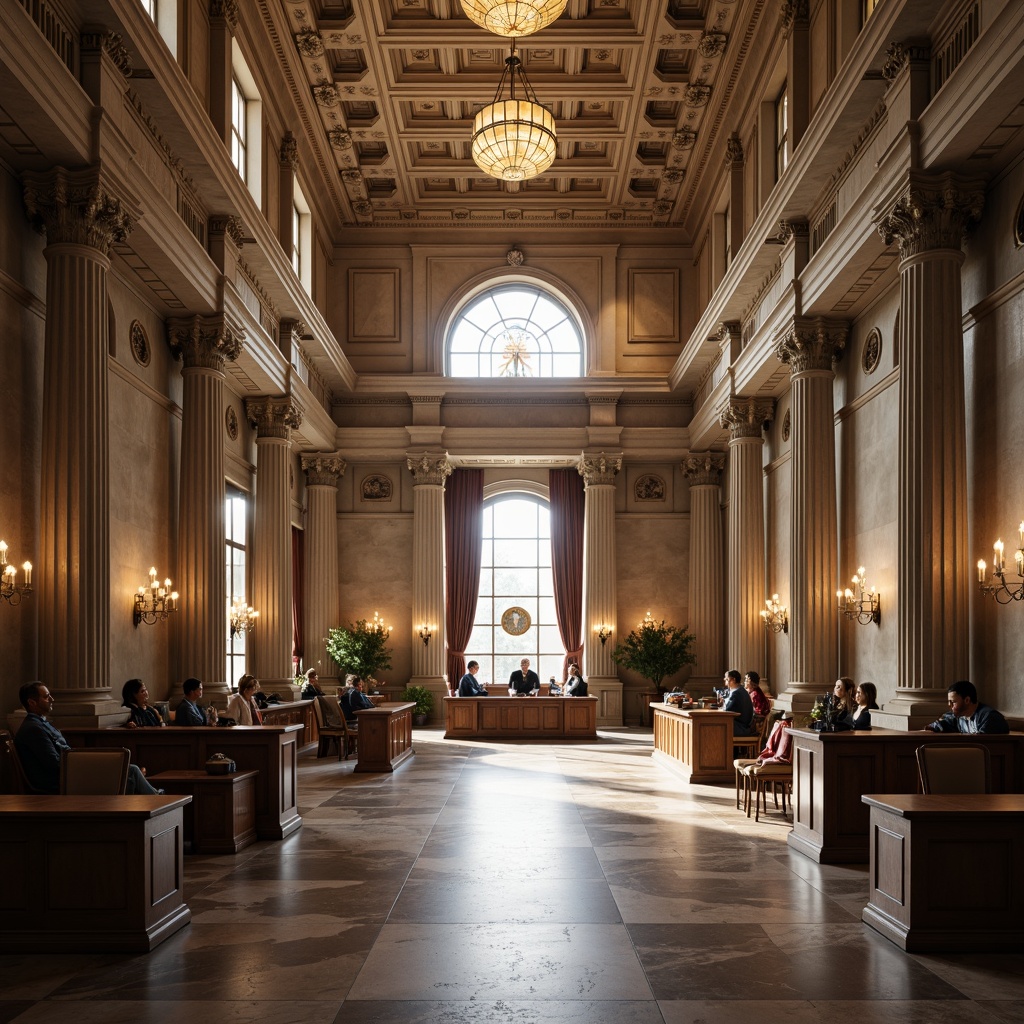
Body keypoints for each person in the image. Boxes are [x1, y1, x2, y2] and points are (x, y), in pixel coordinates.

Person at [15, 682, 164, 795]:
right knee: (129, 771)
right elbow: (55, 765)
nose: (52, 699)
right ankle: (153, 805)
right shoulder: (33, 729)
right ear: (32, 702)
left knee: (127, 770)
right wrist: (92, 765)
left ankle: (151, 806)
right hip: (60, 782)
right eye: (47, 697)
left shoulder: (40, 724)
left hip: (71, 773)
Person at [924, 680, 1010, 734]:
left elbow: (984, 744)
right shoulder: (960, 716)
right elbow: (944, 723)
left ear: (967, 700)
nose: (949, 705)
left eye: (953, 702)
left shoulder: (989, 717)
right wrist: (931, 727)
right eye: (949, 702)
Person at [722, 669, 754, 735]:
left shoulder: (737, 693)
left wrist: (722, 705)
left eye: (727, 679)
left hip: (741, 728)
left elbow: (727, 710)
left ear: (733, 680)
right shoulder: (741, 690)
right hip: (743, 726)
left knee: (716, 725)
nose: (725, 681)